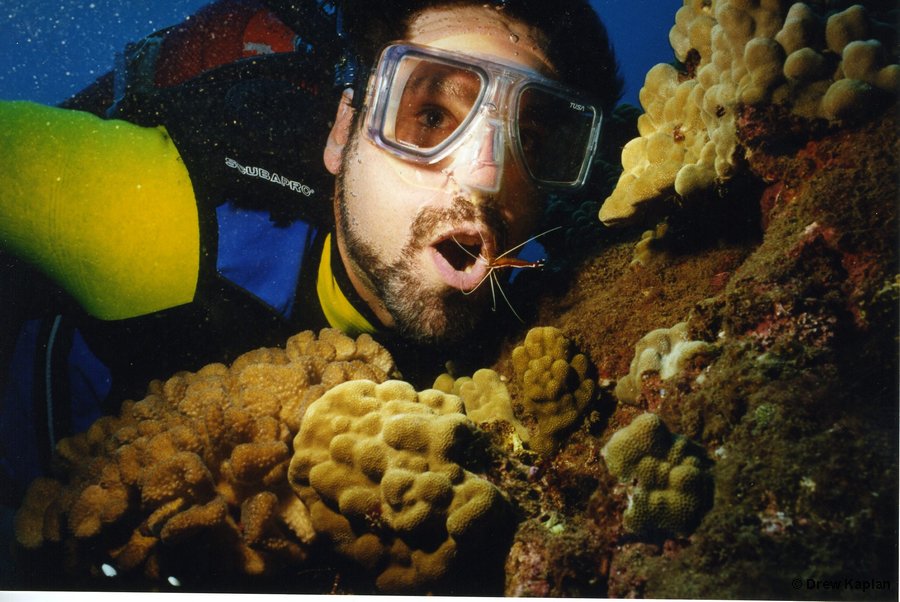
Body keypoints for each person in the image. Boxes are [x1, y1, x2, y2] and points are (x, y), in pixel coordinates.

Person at [0, 0, 621, 509]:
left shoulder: (543, 292)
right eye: (431, 115)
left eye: (530, 142)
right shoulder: (157, 208)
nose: (486, 177)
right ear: (343, 132)